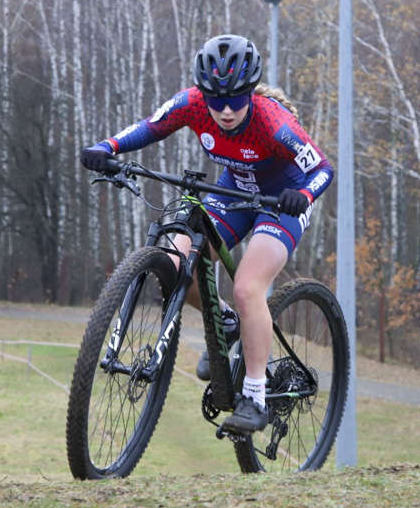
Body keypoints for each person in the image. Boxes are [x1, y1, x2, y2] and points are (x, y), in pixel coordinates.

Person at [81, 34, 333, 434]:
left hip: (280, 202)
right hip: (232, 192)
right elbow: (150, 128)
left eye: (236, 100)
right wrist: (107, 146)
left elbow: (322, 169)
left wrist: (302, 195)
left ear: (250, 93)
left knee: (247, 287)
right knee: (175, 262)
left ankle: (255, 396)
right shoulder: (192, 104)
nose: (226, 110)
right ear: (204, 94)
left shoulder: (274, 122)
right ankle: (227, 323)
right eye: (217, 101)